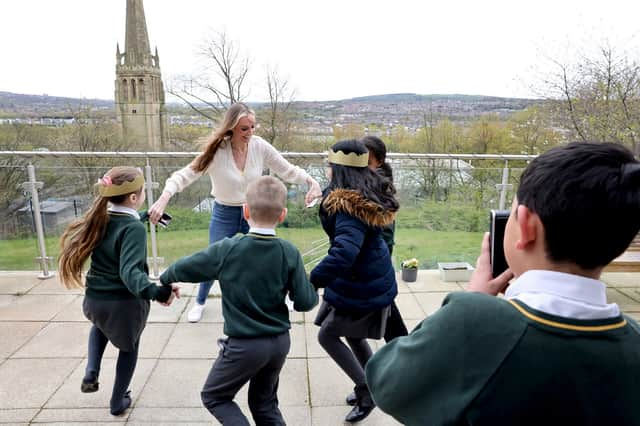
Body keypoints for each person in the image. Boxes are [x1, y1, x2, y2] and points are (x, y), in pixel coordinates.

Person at [365, 142, 640, 426]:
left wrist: (471, 299)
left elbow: (386, 383)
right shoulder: (633, 340)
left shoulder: (475, 322)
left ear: (525, 225)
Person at [159, 175, 318, 425]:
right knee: (264, 404)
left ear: (245, 211)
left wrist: (166, 278)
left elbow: (185, 267)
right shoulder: (289, 252)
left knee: (214, 396)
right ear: (283, 215)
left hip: (244, 346)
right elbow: (306, 302)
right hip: (279, 343)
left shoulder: (228, 248)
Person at [148, 102, 322, 323]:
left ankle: (283, 297)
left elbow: (287, 169)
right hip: (225, 212)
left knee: (269, 255)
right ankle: (200, 302)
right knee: (213, 259)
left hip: (255, 211)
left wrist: (311, 181)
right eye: (244, 129)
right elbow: (184, 176)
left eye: (253, 127)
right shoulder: (216, 151)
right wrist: (163, 198)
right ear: (231, 128)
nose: (250, 133)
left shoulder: (259, 146)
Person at [58, 166, 180, 416]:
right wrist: (159, 292)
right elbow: (131, 275)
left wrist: (145, 215)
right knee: (129, 348)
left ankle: (91, 370)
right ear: (134, 197)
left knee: (100, 327)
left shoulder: (102, 217)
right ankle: (117, 402)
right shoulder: (132, 229)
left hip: (94, 302)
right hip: (122, 305)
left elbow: (119, 229)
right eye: (143, 191)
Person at [310, 139, 400, 423]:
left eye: (329, 165)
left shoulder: (347, 206)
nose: (326, 169)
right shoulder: (363, 190)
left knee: (327, 334)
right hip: (367, 277)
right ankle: (373, 383)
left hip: (361, 282)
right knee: (352, 334)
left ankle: (366, 391)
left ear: (338, 169)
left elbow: (344, 252)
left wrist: (313, 279)